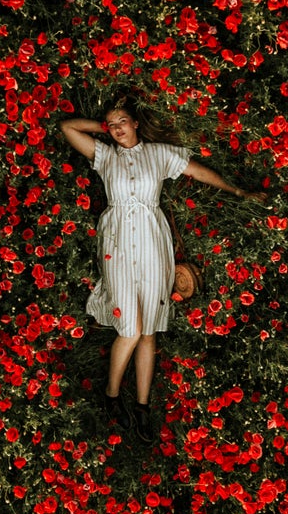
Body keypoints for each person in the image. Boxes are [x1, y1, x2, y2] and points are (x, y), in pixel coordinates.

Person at [59, 96, 267, 442]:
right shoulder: (105, 155)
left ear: (136, 122)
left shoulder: (158, 154)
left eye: (123, 121)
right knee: (132, 327)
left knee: (149, 329)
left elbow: (197, 170)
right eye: (112, 124)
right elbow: (67, 127)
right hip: (118, 245)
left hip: (155, 243)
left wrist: (238, 191)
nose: (117, 128)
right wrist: (106, 129)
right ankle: (111, 395)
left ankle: (141, 406)